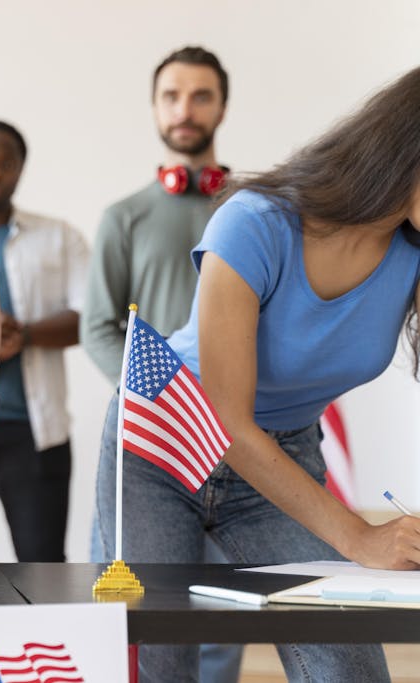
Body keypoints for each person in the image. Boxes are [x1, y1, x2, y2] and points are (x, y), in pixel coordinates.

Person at [95, 65, 420, 682]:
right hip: (168, 440)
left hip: (285, 451)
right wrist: (359, 537)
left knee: (347, 663)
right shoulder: (255, 222)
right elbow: (227, 422)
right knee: (160, 659)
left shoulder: (413, 252)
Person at [83, 46, 242, 682]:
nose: (185, 109)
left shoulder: (257, 209)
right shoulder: (124, 217)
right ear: (155, 108)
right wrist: (154, 401)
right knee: (136, 608)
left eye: (201, 95)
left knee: (226, 610)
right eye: (172, 96)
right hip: (150, 441)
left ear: (222, 106)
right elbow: (99, 328)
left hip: (235, 438)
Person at [0, 120, 87, 562]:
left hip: (35, 435)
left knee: (43, 564)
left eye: (7, 163)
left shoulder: (60, 237)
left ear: (21, 169)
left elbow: (90, 317)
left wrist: (25, 334)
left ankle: (45, 637)